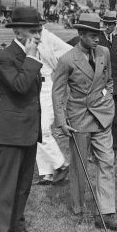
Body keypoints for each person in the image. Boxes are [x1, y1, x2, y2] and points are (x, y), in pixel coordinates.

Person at [52, 13, 117, 231]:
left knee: (107, 161)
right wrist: (61, 121)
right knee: (79, 167)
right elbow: (58, 94)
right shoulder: (67, 59)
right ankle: (78, 209)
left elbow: (110, 81)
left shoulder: (103, 52)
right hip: (79, 121)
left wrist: (106, 100)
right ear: (81, 35)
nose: (98, 39)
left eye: (99, 34)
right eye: (93, 35)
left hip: (102, 117)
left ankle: (105, 213)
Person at [0, 6, 44, 232]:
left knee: (23, 186)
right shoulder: (4, 57)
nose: (39, 35)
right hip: (10, 132)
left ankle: (16, 227)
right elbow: (20, 87)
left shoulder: (28, 54)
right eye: (34, 31)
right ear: (18, 31)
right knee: (6, 187)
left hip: (29, 130)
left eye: (40, 30)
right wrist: (32, 58)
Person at [35, 25, 72, 185]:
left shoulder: (48, 37)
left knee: (42, 130)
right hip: (34, 86)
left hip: (48, 85)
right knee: (35, 129)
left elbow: (71, 52)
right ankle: (47, 173)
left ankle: (61, 164)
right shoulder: (27, 37)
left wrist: (59, 72)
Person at [97, 11, 117, 155]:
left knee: (115, 121)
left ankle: (113, 148)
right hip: (101, 87)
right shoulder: (97, 40)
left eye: (111, 24)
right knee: (100, 120)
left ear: (115, 25)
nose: (108, 27)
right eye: (106, 24)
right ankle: (97, 150)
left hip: (115, 87)